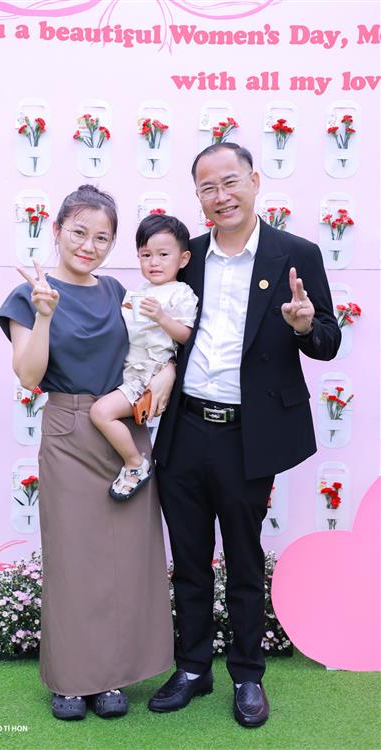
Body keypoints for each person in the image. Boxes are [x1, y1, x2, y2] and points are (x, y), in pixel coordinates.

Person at [149, 143, 341, 727]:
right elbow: (167, 329)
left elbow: (328, 341)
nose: (221, 196)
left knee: (244, 558)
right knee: (188, 559)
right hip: (185, 428)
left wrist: (304, 326)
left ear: (254, 181)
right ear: (198, 197)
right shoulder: (189, 256)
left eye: (230, 182)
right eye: (207, 188)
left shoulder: (296, 254)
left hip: (247, 435)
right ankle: (192, 668)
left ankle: (248, 675)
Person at [0, 184, 174, 721]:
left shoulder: (117, 290)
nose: (88, 246)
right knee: (73, 562)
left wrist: (166, 371)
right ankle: (71, 680)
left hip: (123, 432)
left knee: (126, 561)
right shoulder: (29, 293)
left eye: (102, 238)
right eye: (78, 232)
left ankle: (113, 676)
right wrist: (44, 314)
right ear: (56, 231)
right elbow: (29, 376)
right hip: (69, 431)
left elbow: (152, 346)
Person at [89, 213, 198, 501]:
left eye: (163, 254)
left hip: (149, 375)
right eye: (146, 255)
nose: (154, 262)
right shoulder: (139, 292)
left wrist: (162, 317)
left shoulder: (181, 293)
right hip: (128, 371)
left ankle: (135, 463)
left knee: (100, 413)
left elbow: (187, 336)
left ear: (183, 259)